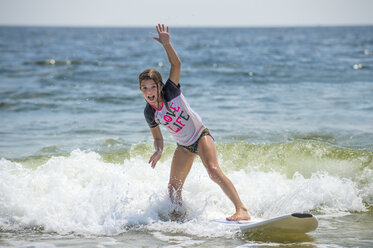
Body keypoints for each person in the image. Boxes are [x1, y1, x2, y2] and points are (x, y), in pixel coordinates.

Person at [139, 24, 250, 221]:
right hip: (183, 146)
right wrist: (158, 150)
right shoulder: (150, 113)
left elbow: (177, 65)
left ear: (160, 86)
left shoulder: (171, 92)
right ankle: (178, 216)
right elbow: (158, 138)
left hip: (200, 136)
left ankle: (241, 209)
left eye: (152, 87)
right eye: (144, 88)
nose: (149, 92)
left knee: (214, 172)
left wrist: (167, 45)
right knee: (173, 188)